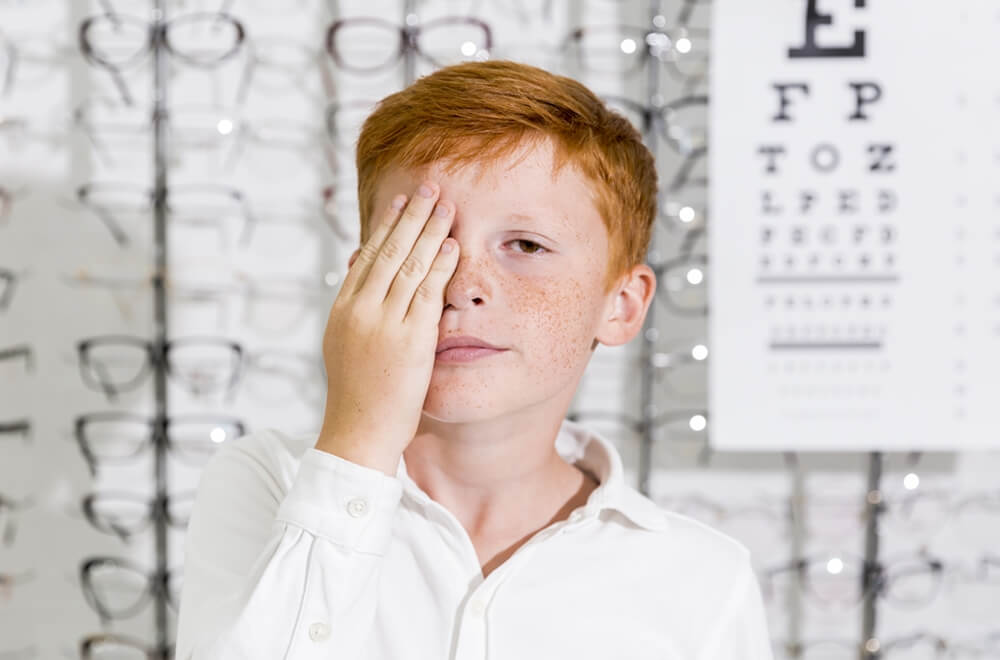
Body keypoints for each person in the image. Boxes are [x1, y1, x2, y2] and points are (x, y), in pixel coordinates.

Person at [175, 60, 773, 659]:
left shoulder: (704, 582)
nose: (462, 284)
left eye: (526, 245)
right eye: (425, 245)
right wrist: (360, 436)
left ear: (620, 305)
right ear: (365, 279)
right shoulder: (269, 483)